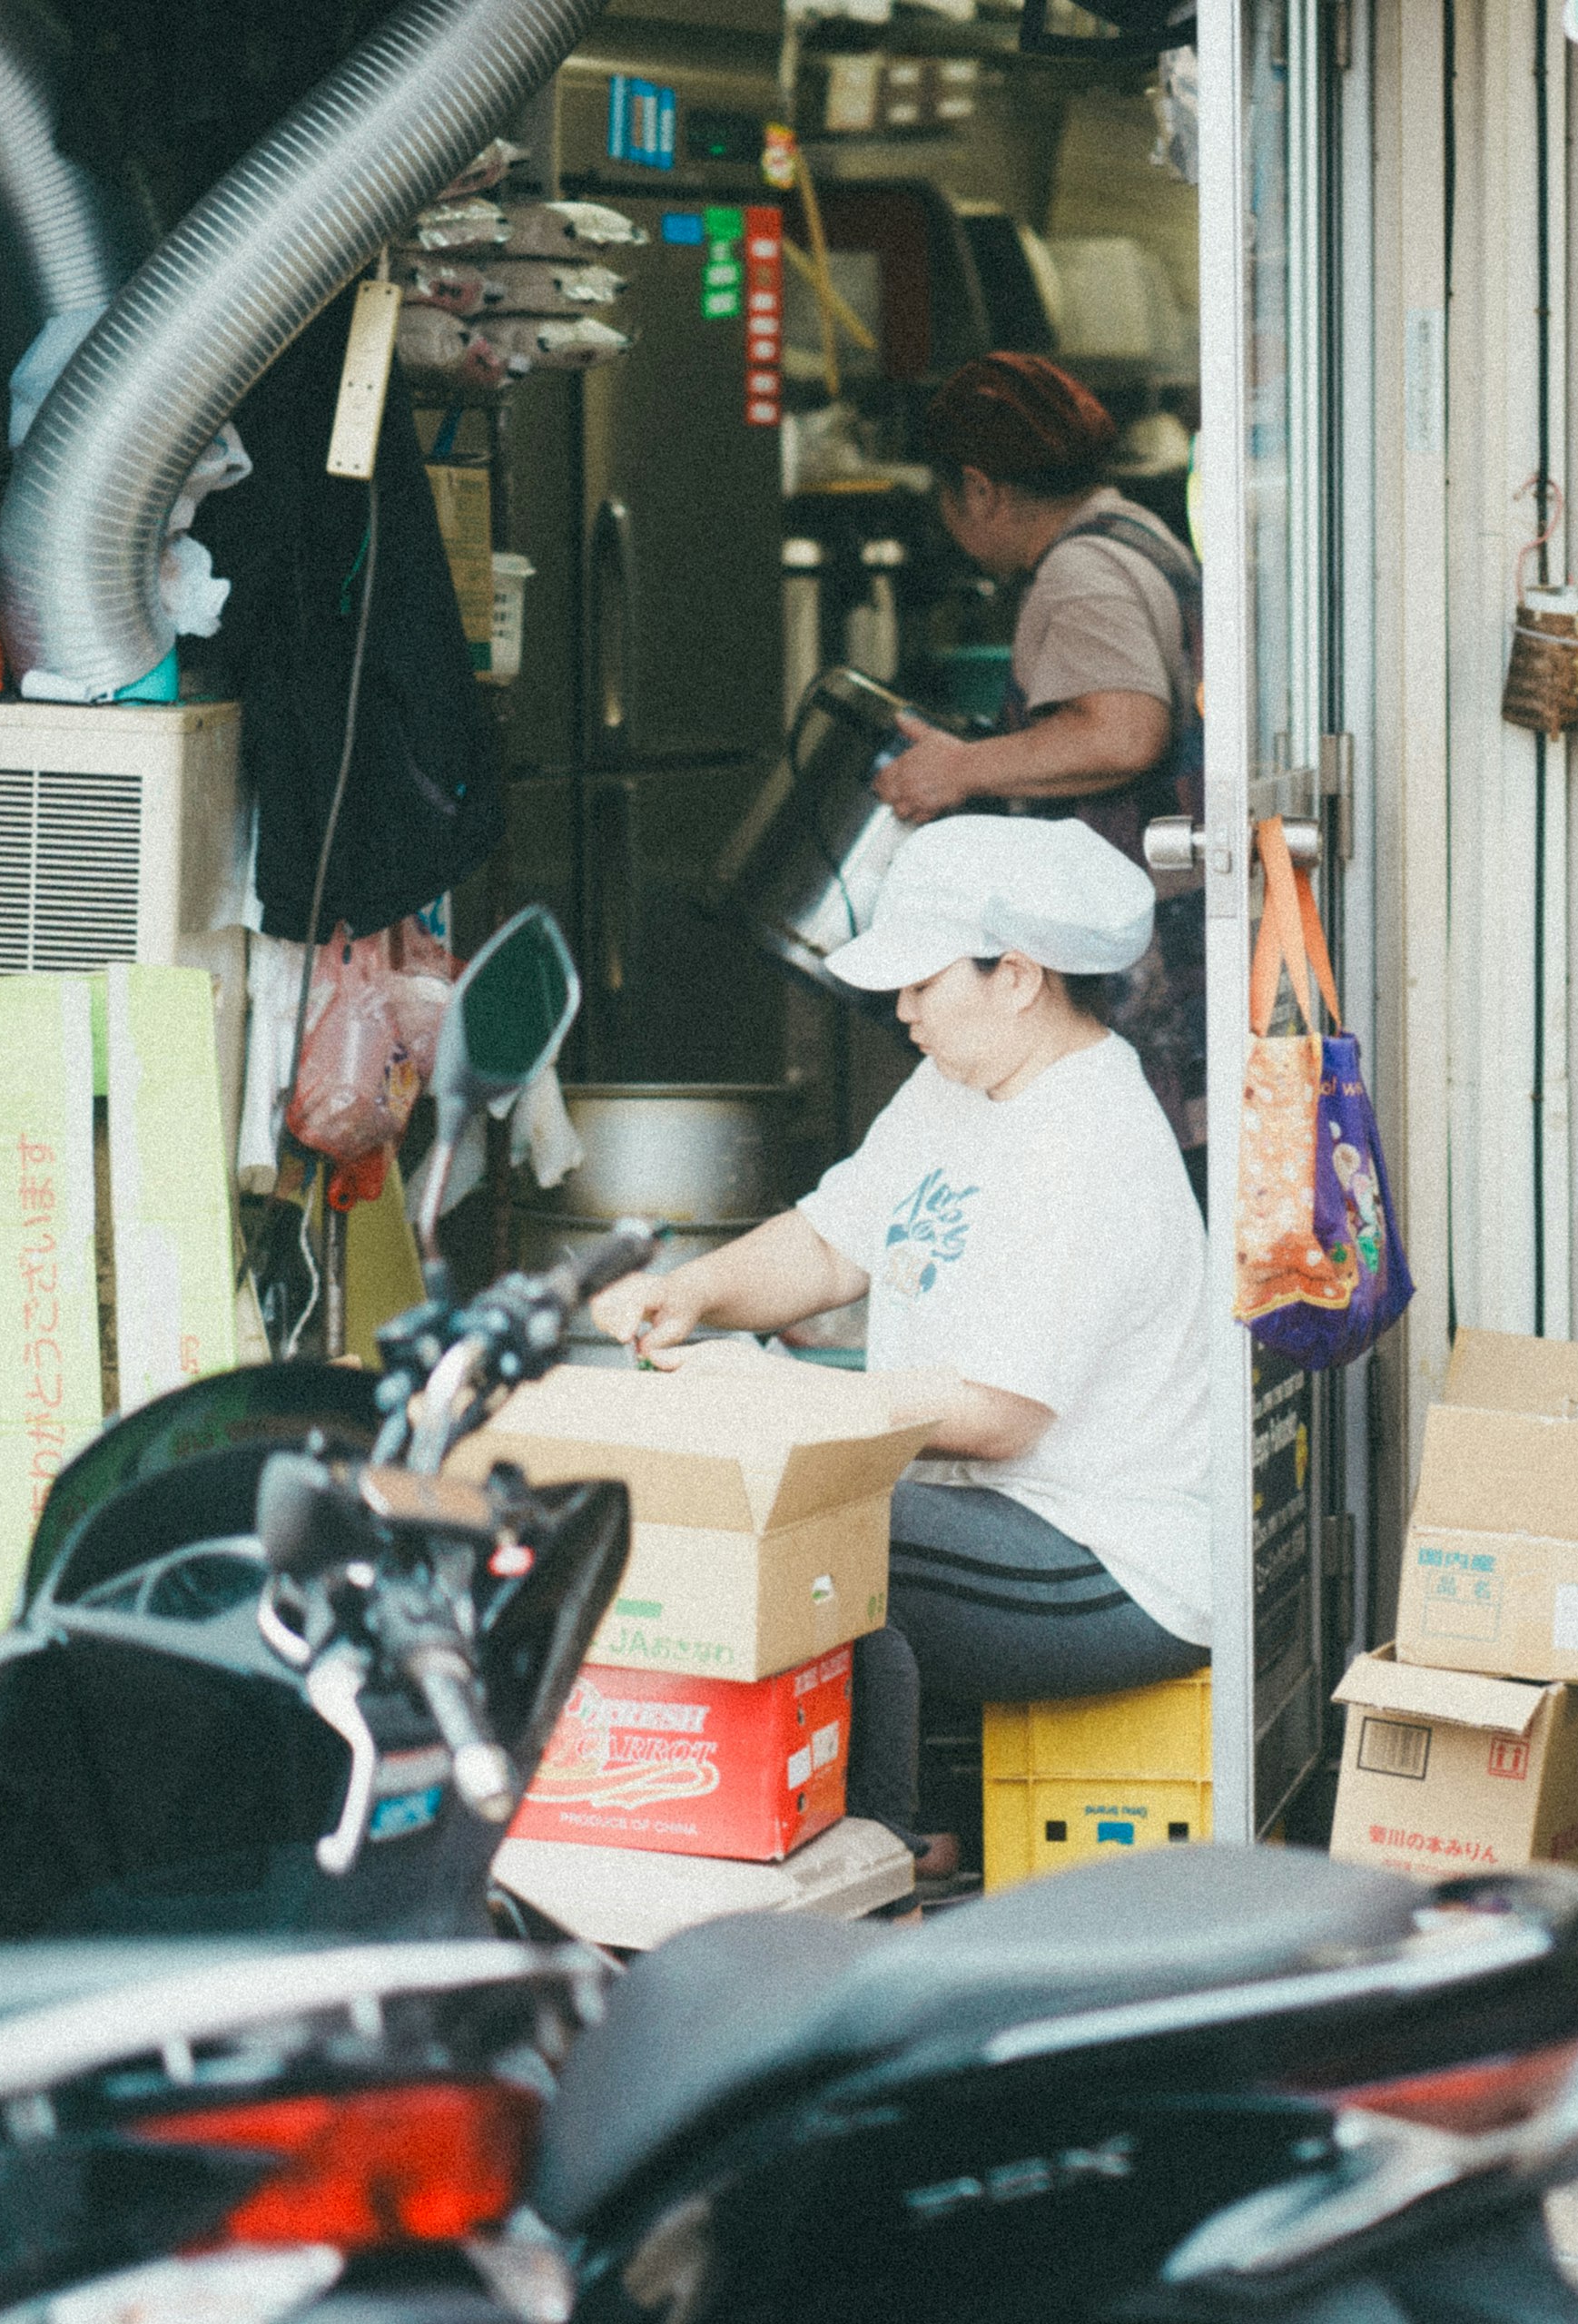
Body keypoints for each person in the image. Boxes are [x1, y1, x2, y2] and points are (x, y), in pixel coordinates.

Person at [588, 814, 1215, 1878]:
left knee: (814, 1522)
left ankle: (873, 1864)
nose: (902, 1009)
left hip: (1113, 1564)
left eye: (924, 982)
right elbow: (835, 1243)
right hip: (997, 1521)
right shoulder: (958, 1085)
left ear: (1017, 977)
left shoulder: (1090, 1145)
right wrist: (694, 1288)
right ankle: (874, 1835)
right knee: (815, 1511)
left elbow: (1000, 1414)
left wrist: (783, 1398)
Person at [871, 350, 1208, 1154]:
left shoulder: (1079, 570)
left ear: (979, 488)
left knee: (1146, 1165)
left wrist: (957, 769)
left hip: (1153, 935)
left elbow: (1124, 731)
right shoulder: (1136, 532)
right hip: (1174, 917)